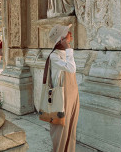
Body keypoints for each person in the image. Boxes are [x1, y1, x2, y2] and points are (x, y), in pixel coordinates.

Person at [48, 24, 80, 152]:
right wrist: (68, 49)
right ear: (61, 39)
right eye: (67, 32)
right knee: (61, 128)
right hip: (62, 95)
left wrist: (67, 49)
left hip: (72, 93)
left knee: (71, 126)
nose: (70, 33)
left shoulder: (65, 53)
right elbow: (71, 68)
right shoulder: (54, 56)